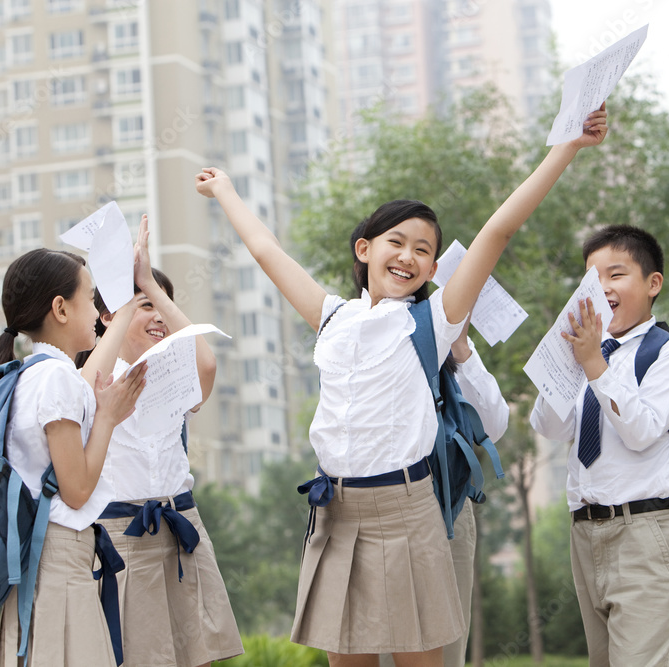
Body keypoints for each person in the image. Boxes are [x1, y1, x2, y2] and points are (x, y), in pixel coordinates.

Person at [196, 102, 607, 667]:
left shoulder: (432, 322)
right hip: (337, 509)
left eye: (424, 249)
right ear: (365, 251)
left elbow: (498, 229)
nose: (409, 255)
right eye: (397, 241)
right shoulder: (333, 317)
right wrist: (225, 191)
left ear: (435, 268)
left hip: (405, 507)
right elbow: (267, 251)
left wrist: (567, 148)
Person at [0, 248, 148, 667]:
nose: (98, 312)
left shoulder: (33, 373)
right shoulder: (56, 378)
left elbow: (89, 379)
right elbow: (76, 490)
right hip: (57, 562)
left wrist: (131, 302)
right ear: (60, 308)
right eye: (91, 298)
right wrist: (109, 419)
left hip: (37, 562)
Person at [529, 224, 669, 666]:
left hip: (648, 531)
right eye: (592, 278)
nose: (602, 288)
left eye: (616, 275)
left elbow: (641, 431)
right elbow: (548, 426)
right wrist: (564, 361)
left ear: (652, 283)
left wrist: (593, 363)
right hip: (586, 532)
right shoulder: (591, 354)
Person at [79, 215, 243, 667]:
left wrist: (148, 281)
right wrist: (125, 298)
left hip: (179, 524)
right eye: (144, 305)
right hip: (120, 535)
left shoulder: (172, 374)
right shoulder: (89, 378)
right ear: (109, 316)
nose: (157, 314)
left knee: (197, 657)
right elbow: (84, 390)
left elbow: (205, 363)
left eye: (162, 304)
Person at [378, 318, 510, 667]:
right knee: (378, 652)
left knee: (444, 655)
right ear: (363, 258)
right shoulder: (353, 327)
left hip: (445, 513)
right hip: (373, 518)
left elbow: (493, 425)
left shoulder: (439, 331)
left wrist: (460, 345)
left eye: (424, 257)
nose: (407, 260)